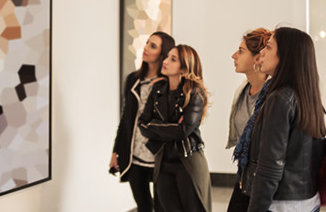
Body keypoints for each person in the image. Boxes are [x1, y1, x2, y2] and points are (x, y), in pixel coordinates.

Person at [233, 27, 326, 212]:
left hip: (281, 203)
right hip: (306, 200)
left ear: (285, 56)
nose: (262, 52)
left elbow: (270, 166)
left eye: (268, 47)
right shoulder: (308, 96)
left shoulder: (280, 98)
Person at [139, 44, 212, 212]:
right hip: (163, 161)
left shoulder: (195, 92)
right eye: (167, 57)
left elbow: (183, 130)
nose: (165, 61)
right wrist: (170, 127)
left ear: (185, 67)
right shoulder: (158, 90)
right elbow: (143, 125)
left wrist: (156, 126)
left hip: (188, 160)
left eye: (173, 59)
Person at [109, 31, 175, 212]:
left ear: (162, 54)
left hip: (159, 157)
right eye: (147, 43)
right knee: (144, 206)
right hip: (135, 156)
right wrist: (116, 151)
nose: (145, 48)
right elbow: (126, 117)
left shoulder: (168, 84)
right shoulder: (133, 79)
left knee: (163, 207)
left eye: (152, 46)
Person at [226, 28, 272, 211]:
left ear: (257, 58)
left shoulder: (273, 97)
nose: (233, 56)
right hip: (244, 174)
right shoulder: (242, 91)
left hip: (264, 177)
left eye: (241, 51)